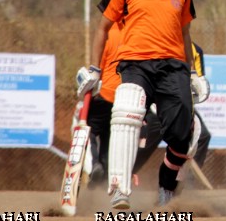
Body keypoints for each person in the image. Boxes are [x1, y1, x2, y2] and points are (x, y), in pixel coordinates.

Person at [82, 0, 200, 209]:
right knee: (127, 112)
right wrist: (94, 69)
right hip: (136, 64)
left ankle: (166, 184)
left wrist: (193, 73)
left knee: (184, 134)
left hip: (173, 67)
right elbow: (102, 28)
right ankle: (120, 190)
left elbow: (185, 34)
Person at [83, 38, 212, 191]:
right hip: (151, 105)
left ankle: (185, 187)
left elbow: (195, 86)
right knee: (136, 150)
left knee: (202, 135)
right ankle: (108, 179)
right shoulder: (152, 41)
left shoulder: (195, 51)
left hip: (177, 105)